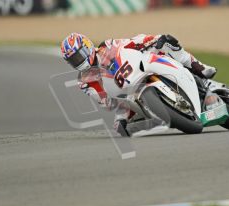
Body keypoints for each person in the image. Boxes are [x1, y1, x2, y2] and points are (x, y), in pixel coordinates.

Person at [60, 33, 216, 136]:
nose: (78, 62)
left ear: (87, 47)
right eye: (73, 60)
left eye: (78, 56)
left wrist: (153, 40)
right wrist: (116, 103)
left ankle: (200, 69)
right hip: (126, 95)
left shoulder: (107, 46)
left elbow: (131, 43)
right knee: (120, 127)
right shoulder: (85, 81)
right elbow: (106, 103)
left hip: (140, 68)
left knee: (165, 45)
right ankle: (160, 115)